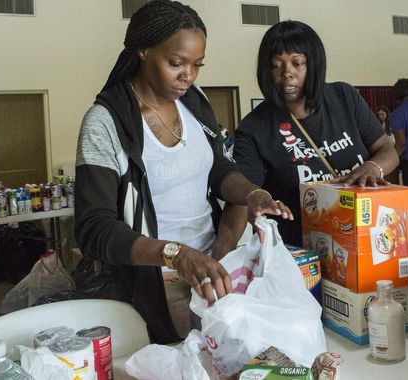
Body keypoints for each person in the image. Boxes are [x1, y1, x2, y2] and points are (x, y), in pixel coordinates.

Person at [74, 0, 293, 344]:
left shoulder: (194, 102)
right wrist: (175, 254)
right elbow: (93, 228)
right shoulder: (106, 122)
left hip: (213, 264)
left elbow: (219, 169)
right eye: (176, 63)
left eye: (196, 65)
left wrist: (251, 195)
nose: (188, 76)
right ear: (143, 50)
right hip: (157, 279)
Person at [232, 20, 399, 247]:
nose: (286, 74)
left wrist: (373, 167)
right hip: (301, 252)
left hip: (364, 238)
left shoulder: (344, 97)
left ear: (313, 65)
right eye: (276, 65)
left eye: (297, 63)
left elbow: (387, 149)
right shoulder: (255, 127)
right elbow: (243, 195)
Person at [376, 105, 400, 184]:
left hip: (393, 149)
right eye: (379, 115)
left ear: (386, 113)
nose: (380, 116)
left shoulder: (391, 123)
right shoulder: (379, 124)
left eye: (382, 114)